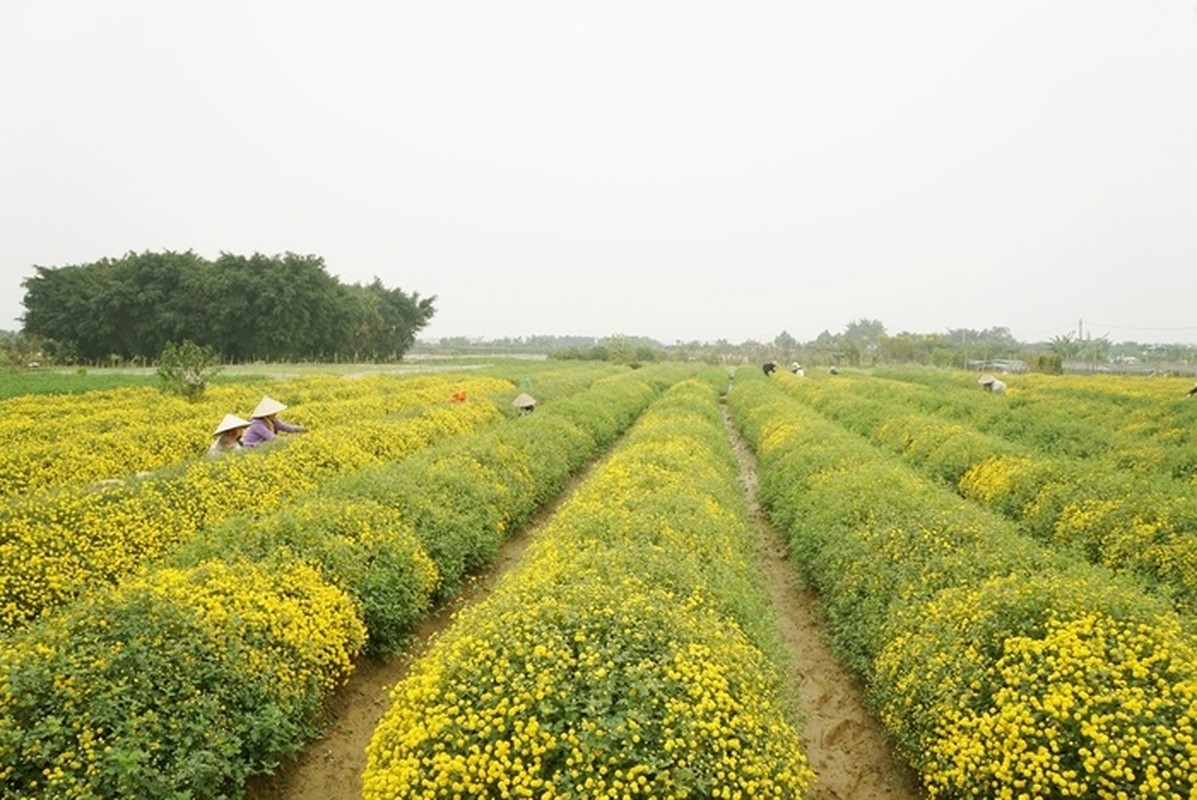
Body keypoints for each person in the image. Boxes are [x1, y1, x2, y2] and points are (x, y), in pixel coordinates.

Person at [242, 395, 307, 448]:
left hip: (262, 444)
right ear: (267, 413)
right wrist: (292, 440)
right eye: (273, 412)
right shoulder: (257, 423)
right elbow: (271, 438)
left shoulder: (273, 420)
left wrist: (303, 429)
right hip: (251, 447)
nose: (275, 413)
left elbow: (287, 427)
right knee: (274, 444)